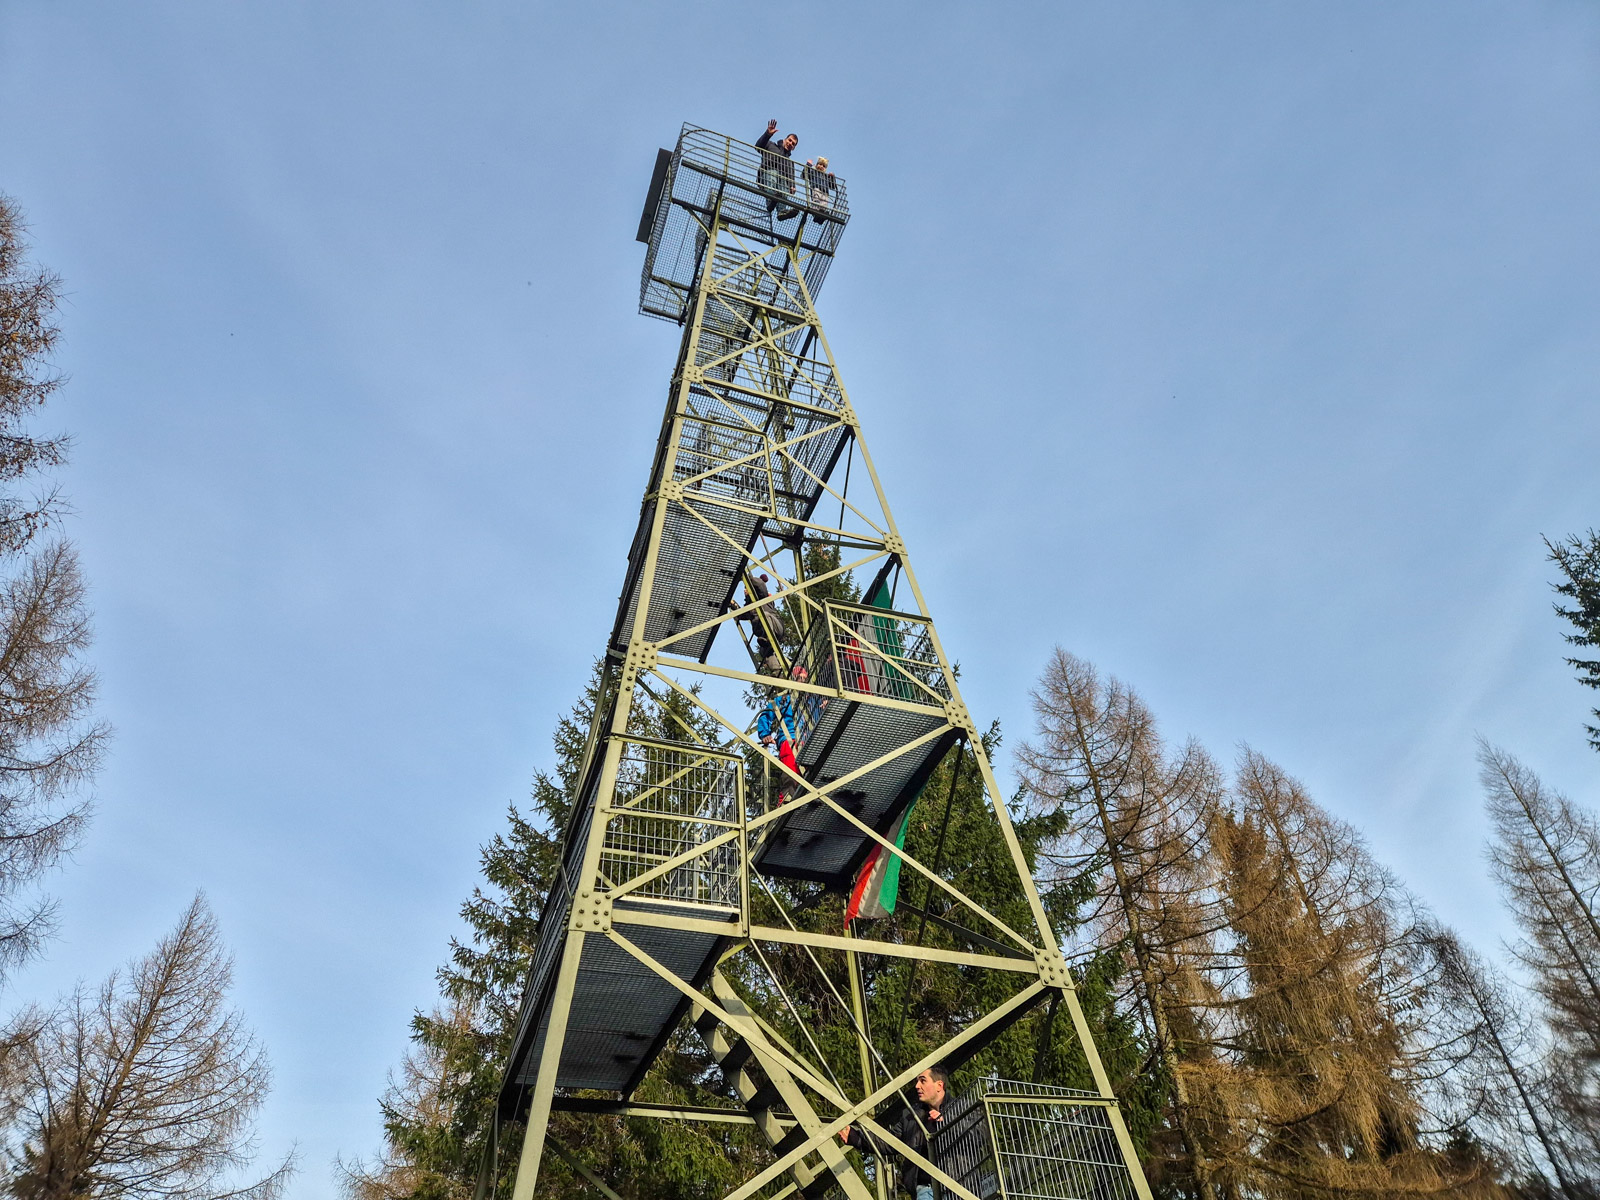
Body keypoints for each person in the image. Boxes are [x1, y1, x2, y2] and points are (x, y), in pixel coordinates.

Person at [839, 1065, 973, 1200]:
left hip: (958, 1187)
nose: (917, 1086)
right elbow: (890, 1141)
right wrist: (855, 1137)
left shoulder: (962, 1108)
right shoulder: (911, 1117)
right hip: (925, 1189)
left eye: (923, 1080)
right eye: (917, 1081)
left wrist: (944, 1121)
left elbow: (978, 1136)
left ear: (939, 1085)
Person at [755, 119, 800, 221]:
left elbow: (791, 176)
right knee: (774, 174)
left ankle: (781, 211)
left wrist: (792, 186)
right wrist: (767, 134)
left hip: (780, 183)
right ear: (785, 140)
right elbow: (758, 146)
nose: (790, 143)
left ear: (793, 148)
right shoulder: (771, 145)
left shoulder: (789, 162)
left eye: (793, 144)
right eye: (789, 140)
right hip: (766, 175)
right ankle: (771, 201)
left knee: (784, 183)